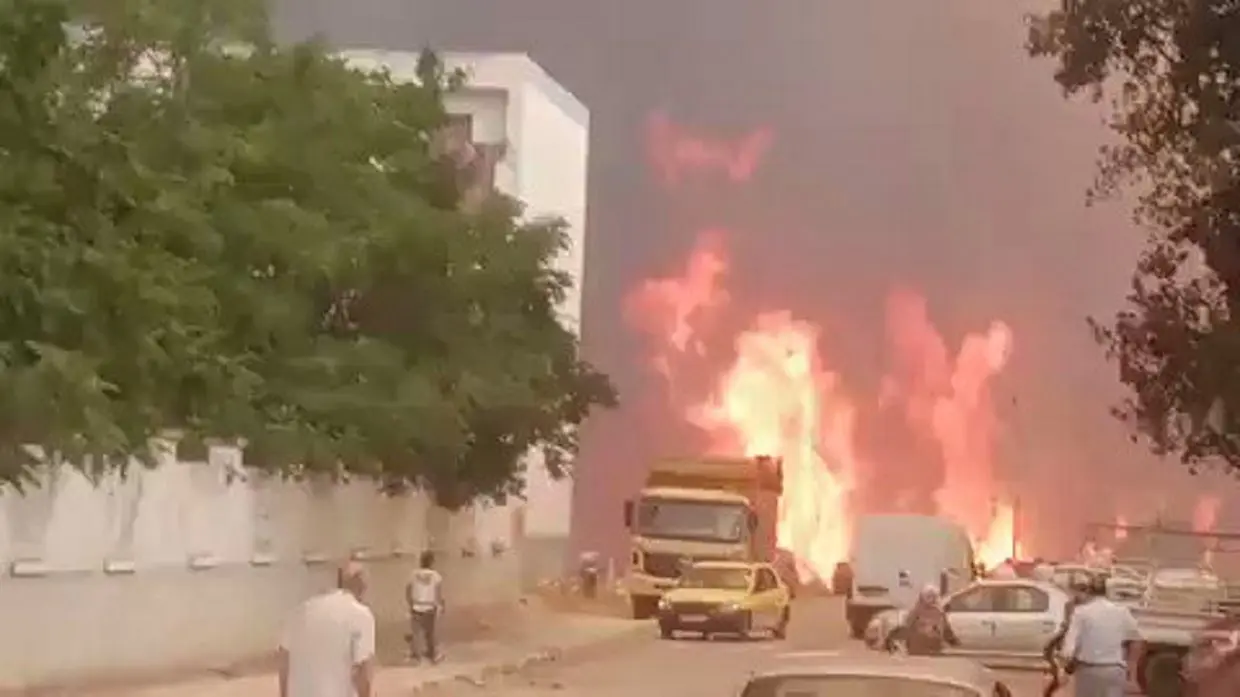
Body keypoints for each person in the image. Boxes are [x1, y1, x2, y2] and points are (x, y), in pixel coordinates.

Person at [278, 561, 375, 697]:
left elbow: (283, 661)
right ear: (361, 585)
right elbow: (363, 671)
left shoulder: (298, 612)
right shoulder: (360, 615)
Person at [1058, 572, 1144, 697]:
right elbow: (1137, 639)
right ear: (1108, 592)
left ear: (1089, 591)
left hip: (1089, 671)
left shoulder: (1081, 612)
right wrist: (1132, 672)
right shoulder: (1122, 612)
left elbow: (1068, 650)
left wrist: (1063, 669)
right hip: (1115, 670)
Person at [892, 584, 959, 656]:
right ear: (922, 597)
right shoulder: (915, 611)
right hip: (917, 646)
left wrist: (953, 640)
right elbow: (906, 627)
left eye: (934, 597)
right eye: (929, 596)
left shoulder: (939, 612)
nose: (931, 599)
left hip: (934, 646)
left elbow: (947, 630)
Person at [406, 550, 445, 663]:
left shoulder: (413, 574)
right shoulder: (436, 576)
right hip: (429, 607)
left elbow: (408, 590)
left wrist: (410, 603)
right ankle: (432, 654)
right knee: (430, 633)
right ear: (432, 562)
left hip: (416, 606)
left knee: (416, 633)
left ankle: (416, 655)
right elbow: (438, 593)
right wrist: (441, 606)